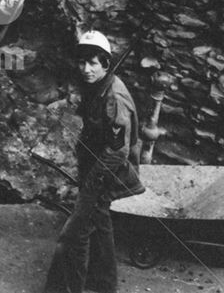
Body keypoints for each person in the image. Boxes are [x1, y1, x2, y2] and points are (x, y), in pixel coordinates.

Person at [44, 31, 144, 293]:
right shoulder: (98, 88)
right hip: (96, 167)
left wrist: (92, 183)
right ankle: (103, 285)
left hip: (108, 172)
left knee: (73, 236)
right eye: (82, 63)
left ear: (106, 64)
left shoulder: (115, 98)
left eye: (93, 63)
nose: (86, 69)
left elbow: (118, 151)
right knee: (100, 225)